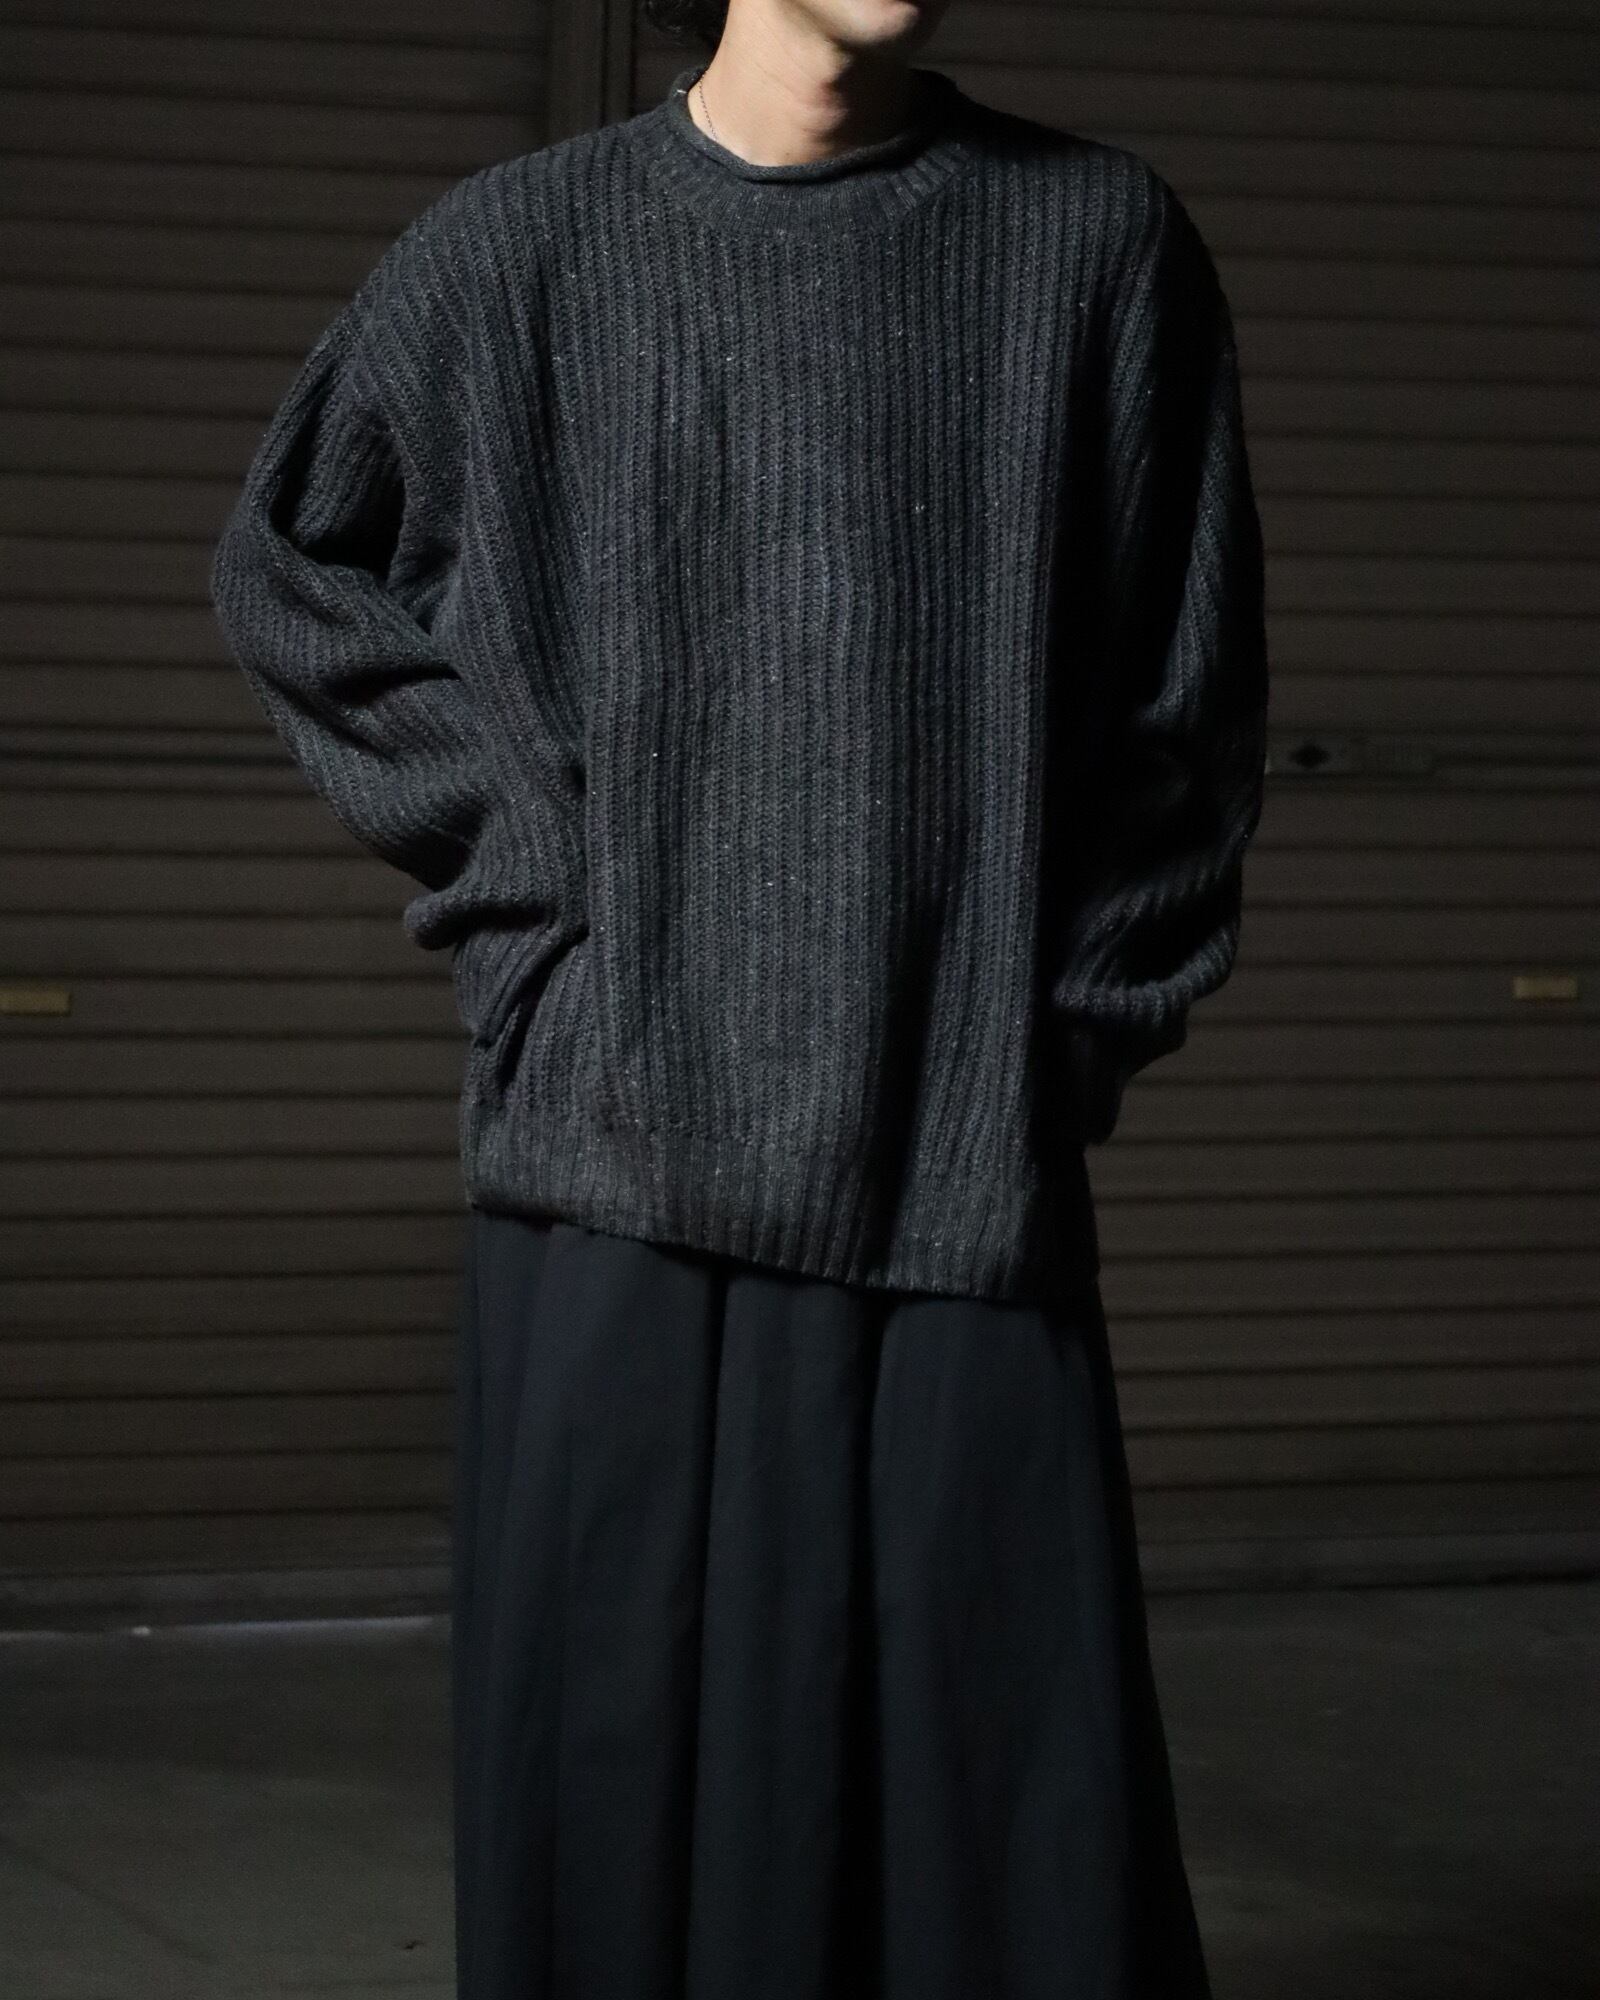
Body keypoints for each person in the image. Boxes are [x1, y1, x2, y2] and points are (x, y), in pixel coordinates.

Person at [209, 0, 1268, 1992]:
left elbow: (1182, 718)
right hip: (611, 1176)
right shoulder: (520, 249)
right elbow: (290, 567)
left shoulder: (1093, 243)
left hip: (952, 1181)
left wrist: (1043, 1046)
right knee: (618, 1846)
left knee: (1000, 1871)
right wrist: (540, 888)